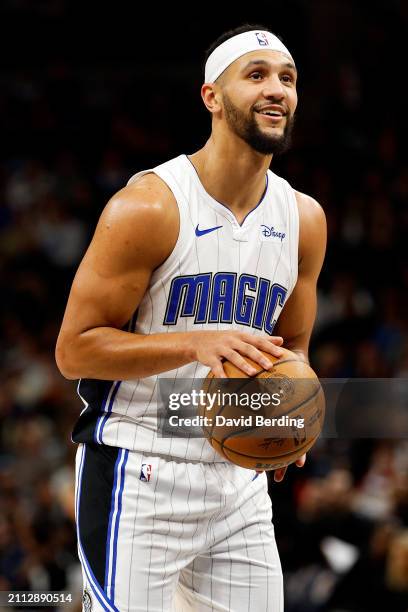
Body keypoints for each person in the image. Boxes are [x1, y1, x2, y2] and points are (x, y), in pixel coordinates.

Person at [56, 23, 326, 612]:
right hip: (141, 470)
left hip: (238, 485)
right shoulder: (148, 207)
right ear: (212, 96)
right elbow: (75, 349)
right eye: (255, 76)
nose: (277, 89)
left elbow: (295, 344)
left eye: (288, 78)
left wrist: (290, 408)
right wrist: (193, 343)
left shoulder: (304, 219)